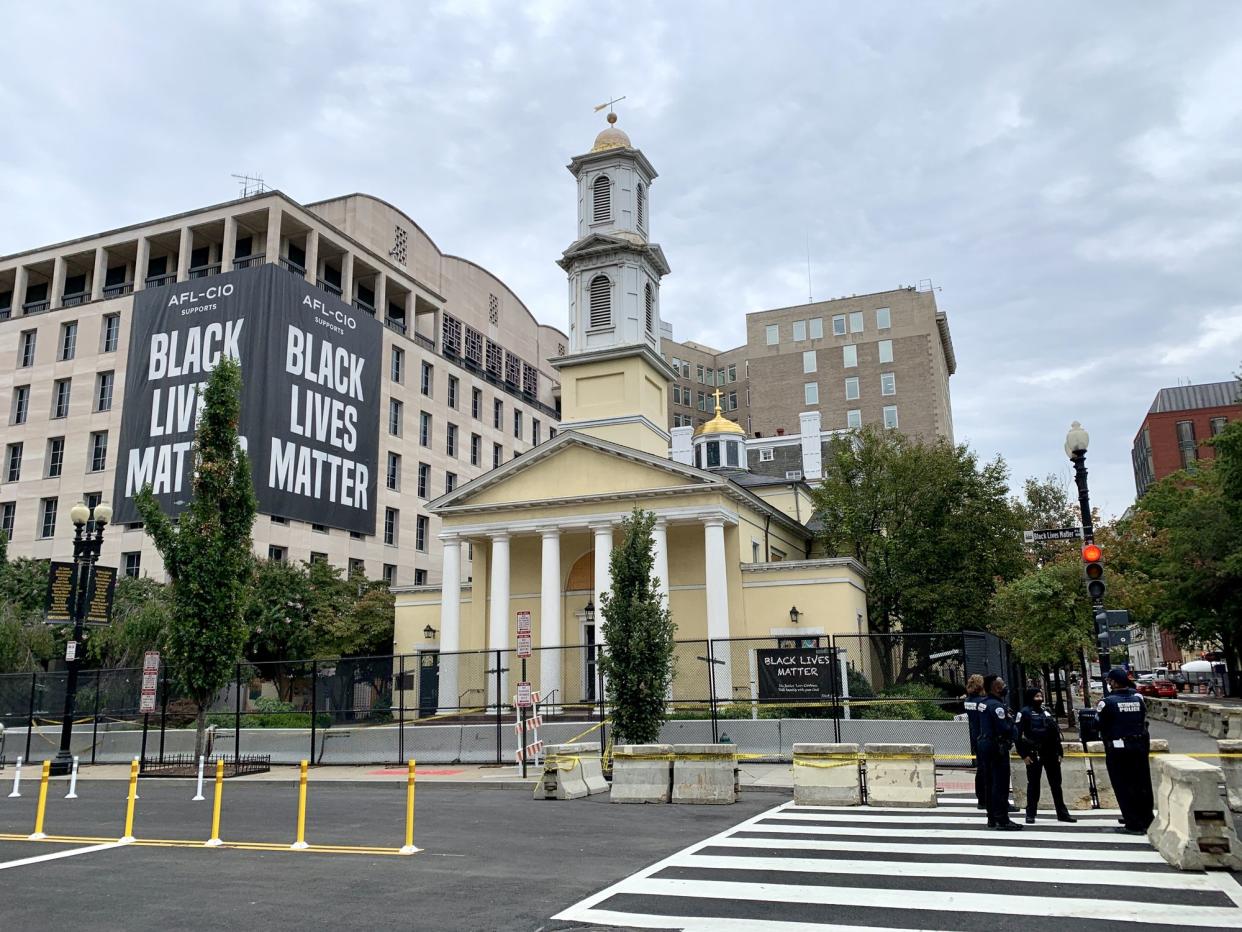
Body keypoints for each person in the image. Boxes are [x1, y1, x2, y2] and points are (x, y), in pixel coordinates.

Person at [1097, 667, 1153, 834]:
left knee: (1123, 784)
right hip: (1139, 746)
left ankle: (1132, 822)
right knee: (1142, 783)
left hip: (1118, 747)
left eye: (1109, 681)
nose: (1108, 684)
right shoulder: (1137, 700)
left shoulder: (1107, 702)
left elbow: (1097, 724)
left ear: (1113, 682)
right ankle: (1146, 818)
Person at [1015, 687, 1076, 824]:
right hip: (1033, 753)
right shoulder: (1024, 713)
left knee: (1056, 785)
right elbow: (1017, 736)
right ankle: (1030, 813)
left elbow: (1055, 734)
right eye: (1037, 696)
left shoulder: (1046, 712)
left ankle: (1062, 813)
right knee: (1034, 785)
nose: (1040, 699)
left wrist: (1059, 752)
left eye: (1041, 696)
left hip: (1050, 753)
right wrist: (1023, 755)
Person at [977, 675, 1021, 830]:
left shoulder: (983, 704)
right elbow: (1004, 728)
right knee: (1000, 784)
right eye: (1002, 685)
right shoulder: (997, 706)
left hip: (985, 744)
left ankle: (992, 817)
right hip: (997, 746)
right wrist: (1012, 722)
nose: (1004, 687)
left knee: (989, 783)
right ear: (995, 687)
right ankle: (1002, 818)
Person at [963, 674, 986, 809]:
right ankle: (984, 797)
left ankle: (981, 797)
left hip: (974, 735)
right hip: (983, 735)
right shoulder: (981, 702)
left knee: (980, 768)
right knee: (986, 768)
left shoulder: (968, 701)